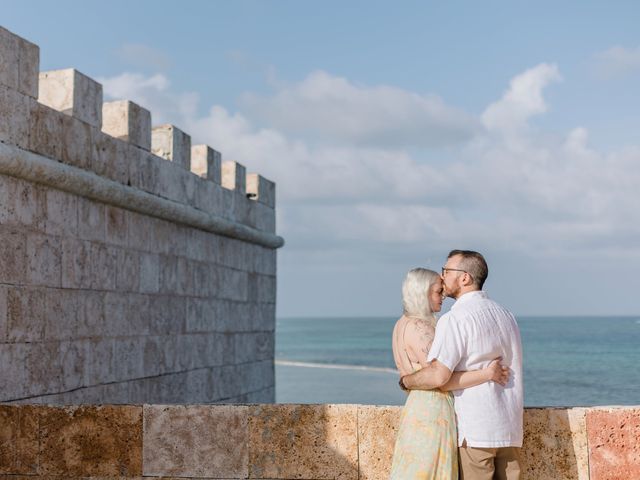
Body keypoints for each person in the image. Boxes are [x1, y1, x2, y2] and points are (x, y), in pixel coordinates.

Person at [401, 252, 524, 480]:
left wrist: (407, 381)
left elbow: (439, 377)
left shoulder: (455, 318)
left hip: (476, 431)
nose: (442, 276)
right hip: (510, 428)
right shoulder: (507, 315)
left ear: (465, 278)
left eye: (447, 271)